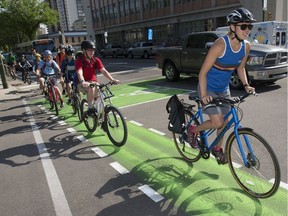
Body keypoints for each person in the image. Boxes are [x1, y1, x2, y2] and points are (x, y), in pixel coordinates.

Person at [187, 8, 256, 164]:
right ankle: (193, 130)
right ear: (233, 27)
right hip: (208, 87)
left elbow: (240, 68)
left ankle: (217, 148)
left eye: (249, 27)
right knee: (217, 122)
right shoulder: (220, 45)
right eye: (243, 26)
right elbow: (202, 73)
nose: (247, 31)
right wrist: (204, 95)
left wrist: (246, 85)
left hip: (223, 89)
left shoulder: (246, 46)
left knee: (224, 121)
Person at [75, 40, 120, 115]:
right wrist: (83, 81)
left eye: (93, 50)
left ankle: (101, 118)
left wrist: (113, 80)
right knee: (91, 87)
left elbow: (104, 71)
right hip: (82, 84)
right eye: (89, 50)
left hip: (94, 83)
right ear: (84, 50)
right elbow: (79, 73)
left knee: (102, 95)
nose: (92, 52)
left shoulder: (96, 60)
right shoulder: (79, 61)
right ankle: (90, 109)